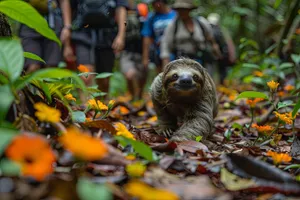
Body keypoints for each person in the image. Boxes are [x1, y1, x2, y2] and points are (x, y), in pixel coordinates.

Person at [71, 0, 128, 95]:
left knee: (104, 80)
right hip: (83, 34)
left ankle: (101, 105)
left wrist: (121, 36)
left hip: (107, 35)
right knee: (86, 75)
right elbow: (71, 7)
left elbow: (121, 9)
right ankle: (85, 107)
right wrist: (68, 29)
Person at [160, 0, 221, 75]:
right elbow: (165, 46)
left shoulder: (200, 22)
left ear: (189, 10)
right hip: (181, 62)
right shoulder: (173, 26)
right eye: (179, 9)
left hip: (201, 59)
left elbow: (210, 39)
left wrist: (216, 51)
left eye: (184, 9)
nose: (182, 11)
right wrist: (165, 68)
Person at [20, 0, 72, 73]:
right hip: (29, 22)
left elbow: (64, 1)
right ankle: (30, 84)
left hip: (53, 22)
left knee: (51, 67)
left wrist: (67, 27)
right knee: (32, 66)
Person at [120, 1, 148, 101]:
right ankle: (132, 96)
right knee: (129, 75)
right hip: (126, 51)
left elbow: (147, 34)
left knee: (142, 76)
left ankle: (139, 96)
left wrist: (146, 55)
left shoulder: (142, 9)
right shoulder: (120, 8)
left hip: (141, 51)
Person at [141, 0, 176, 73]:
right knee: (163, 76)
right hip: (159, 54)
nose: (152, 6)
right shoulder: (151, 17)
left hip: (175, 52)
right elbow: (147, 37)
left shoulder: (175, 15)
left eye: (153, 3)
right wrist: (145, 58)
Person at [207, 13, 236, 84]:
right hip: (219, 55)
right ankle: (221, 84)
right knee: (221, 72)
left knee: (213, 71)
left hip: (215, 55)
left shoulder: (212, 31)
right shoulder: (220, 31)